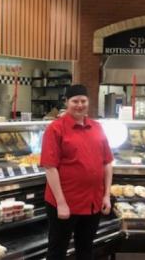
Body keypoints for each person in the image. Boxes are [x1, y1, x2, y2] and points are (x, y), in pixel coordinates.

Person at [40, 84, 113, 260]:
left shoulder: (97, 127)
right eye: (75, 101)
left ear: (88, 102)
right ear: (66, 102)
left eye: (83, 101)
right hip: (65, 202)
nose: (79, 105)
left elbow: (107, 163)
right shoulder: (55, 128)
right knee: (57, 252)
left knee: (86, 250)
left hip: (93, 202)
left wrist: (106, 195)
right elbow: (50, 167)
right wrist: (61, 203)